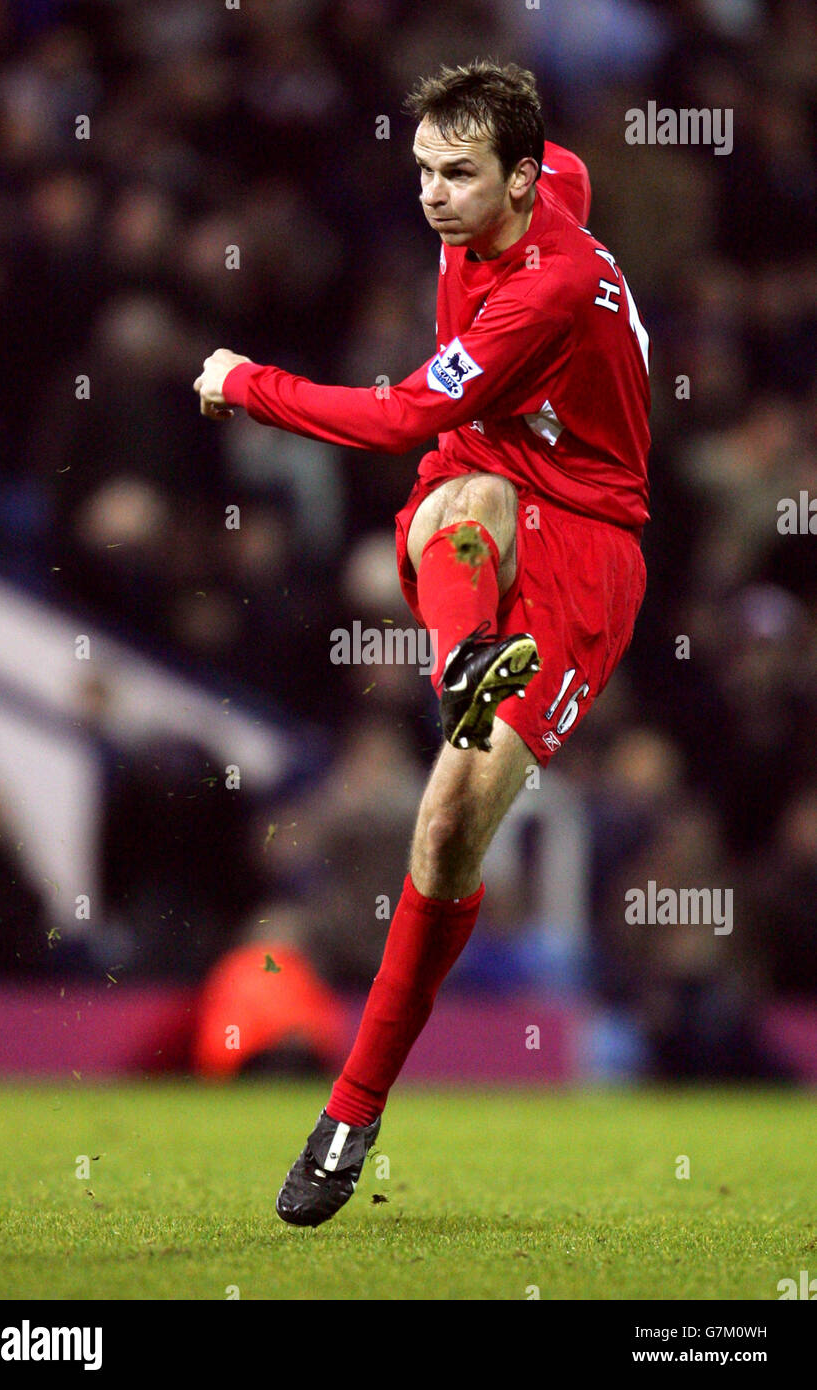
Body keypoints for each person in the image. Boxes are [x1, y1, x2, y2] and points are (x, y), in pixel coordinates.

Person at [194, 59, 651, 1227]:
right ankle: (347, 1120)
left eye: (459, 176)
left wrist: (246, 380)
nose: (435, 197)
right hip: (491, 484)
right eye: (422, 172)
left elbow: (398, 414)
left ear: (517, 183)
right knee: (462, 498)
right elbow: (570, 161)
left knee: (446, 833)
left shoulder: (545, 288)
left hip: (588, 543)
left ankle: (355, 1099)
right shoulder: (542, 176)